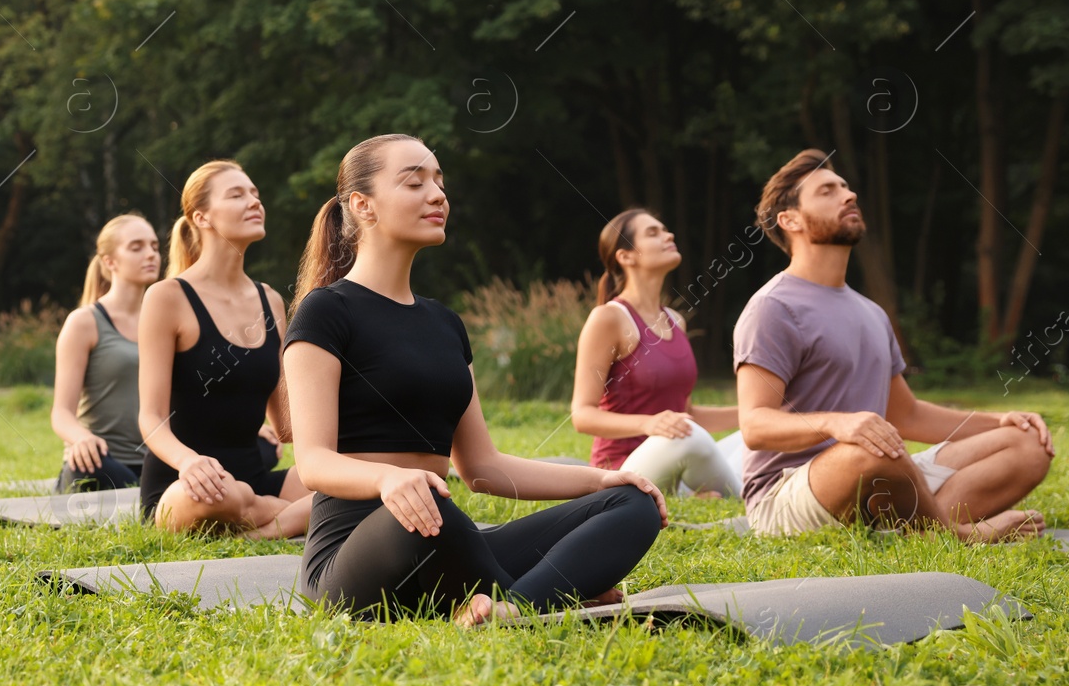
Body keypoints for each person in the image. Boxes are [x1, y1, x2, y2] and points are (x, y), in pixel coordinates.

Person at [282, 134, 666, 627]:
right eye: (415, 182)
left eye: (440, 182)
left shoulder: (444, 324)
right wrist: (389, 479)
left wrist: (601, 479)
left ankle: (507, 607)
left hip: (444, 533)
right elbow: (313, 464)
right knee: (434, 515)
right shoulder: (325, 312)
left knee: (632, 505)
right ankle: (545, 599)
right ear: (363, 205)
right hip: (360, 552)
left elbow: (482, 466)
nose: (438, 195)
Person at [735, 149, 1052, 541]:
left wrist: (1001, 420)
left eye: (847, 189)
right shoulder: (773, 307)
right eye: (828, 191)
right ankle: (959, 537)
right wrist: (838, 423)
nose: (849, 196)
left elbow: (907, 416)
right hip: (787, 494)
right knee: (873, 449)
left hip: (882, 469)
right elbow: (754, 425)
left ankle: (914, 531)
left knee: (1028, 444)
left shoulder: (872, 313)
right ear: (790, 220)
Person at [137, 159, 311, 538]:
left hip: (255, 479)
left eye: (255, 194)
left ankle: (261, 524)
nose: (254, 202)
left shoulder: (270, 301)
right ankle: (289, 518)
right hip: (187, 487)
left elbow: (285, 425)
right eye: (237, 195)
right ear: (202, 217)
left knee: (346, 481)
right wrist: (189, 463)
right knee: (216, 498)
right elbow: (150, 418)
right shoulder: (167, 297)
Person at [571, 208, 741, 498]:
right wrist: (648, 423)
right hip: (622, 470)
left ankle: (696, 492)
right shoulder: (609, 318)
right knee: (692, 438)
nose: (668, 235)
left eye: (665, 230)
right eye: (653, 233)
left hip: (673, 458)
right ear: (626, 256)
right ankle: (752, 503)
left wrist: (755, 415)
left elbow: (685, 414)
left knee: (751, 437)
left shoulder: (676, 320)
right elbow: (582, 415)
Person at [51, 214, 161, 491]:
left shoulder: (166, 320)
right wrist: (81, 439)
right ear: (110, 262)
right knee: (88, 468)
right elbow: (61, 413)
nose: (150, 254)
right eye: (136, 247)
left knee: (258, 449)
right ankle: (145, 494)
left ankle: (145, 491)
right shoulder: (84, 322)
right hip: (102, 463)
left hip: (157, 461)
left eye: (155, 246)